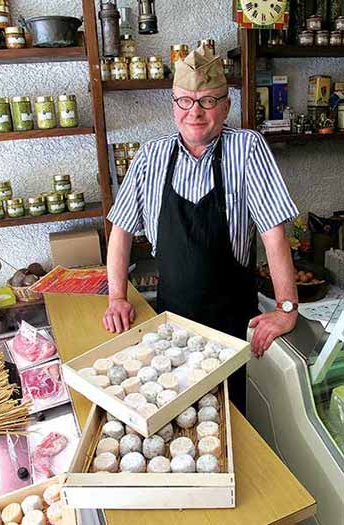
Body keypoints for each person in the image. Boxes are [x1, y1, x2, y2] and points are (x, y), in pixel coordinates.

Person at [103, 45, 299, 414]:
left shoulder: (248, 149)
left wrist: (287, 307)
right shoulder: (150, 156)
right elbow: (121, 231)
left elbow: (274, 235)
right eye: (185, 101)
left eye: (208, 101)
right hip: (171, 326)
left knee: (233, 417)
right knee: (178, 413)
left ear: (225, 107)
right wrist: (117, 297)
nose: (195, 112)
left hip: (234, 326)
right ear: (173, 105)